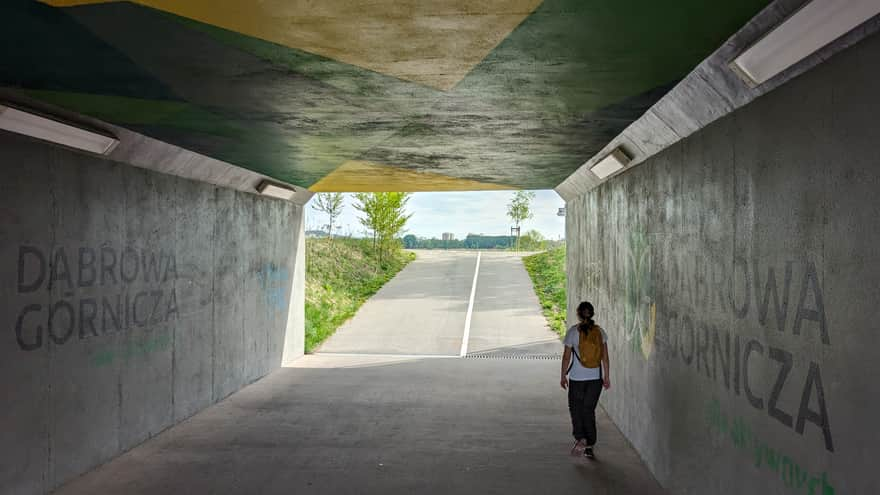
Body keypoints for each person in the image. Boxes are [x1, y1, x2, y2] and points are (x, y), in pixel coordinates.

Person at [560, 301, 610, 459]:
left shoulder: (573, 332)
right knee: (589, 411)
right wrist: (606, 377)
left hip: (577, 378)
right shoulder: (600, 332)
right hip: (595, 379)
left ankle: (580, 438)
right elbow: (605, 357)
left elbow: (566, 356)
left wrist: (563, 375)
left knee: (576, 408)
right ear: (592, 313)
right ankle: (590, 444)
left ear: (578, 314)